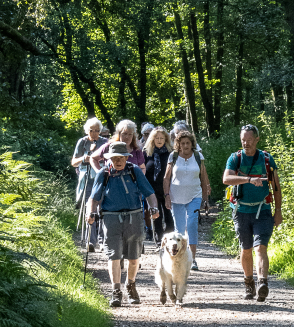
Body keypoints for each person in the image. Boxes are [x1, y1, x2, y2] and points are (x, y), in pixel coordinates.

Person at [87, 141, 160, 307]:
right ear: (109, 158)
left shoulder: (134, 170)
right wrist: (90, 213)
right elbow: (94, 197)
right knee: (114, 255)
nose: (118, 161)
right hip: (111, 218)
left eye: (121, 157)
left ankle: (131, 285)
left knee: (134, 258)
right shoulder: (104, 173)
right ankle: (116, 291)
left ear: (127, 157)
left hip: (134, 217)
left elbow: (149, 193)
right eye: (114, 158)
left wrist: (154, 207)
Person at [222, 124, 282, 302]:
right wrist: (249, 180)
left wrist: (278, 211)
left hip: (263, 209)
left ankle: (263, 282)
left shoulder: (267, 160)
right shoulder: (235, 158)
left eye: (249, 140)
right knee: (246, 249)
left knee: (260, 247)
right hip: (241, 210)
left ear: (257, 139)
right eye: (243, 140)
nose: (246, 143)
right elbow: (226, 179)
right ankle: (249, 284)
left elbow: (276, 187)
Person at [163, 130, 209, 271]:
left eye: (188, 143)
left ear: (192, 144)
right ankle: (179, 259)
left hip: (195, 195)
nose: (185, 145)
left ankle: (193, 259)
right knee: (179, 230)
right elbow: (166, 178)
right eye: (182, 143)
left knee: (192, 224)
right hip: (176, 197)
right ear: (178, 144)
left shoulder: (197, 156)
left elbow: (204, 177)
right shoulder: (173, 156)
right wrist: (167, 196)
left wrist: (206, 198)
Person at [72, 117, 107, 252]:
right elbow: (74, 162)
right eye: (92, 131)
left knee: (103, 209)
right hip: (87, 179)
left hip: (101, 178)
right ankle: (90, 241)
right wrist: (84, 158)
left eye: (97, 131)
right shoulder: (82, 142)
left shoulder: (104, 142)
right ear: (87, 130)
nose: (94, 134)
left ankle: (103, 241)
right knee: (90, 209)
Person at [143, 126, 174, 244]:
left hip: (167, 189)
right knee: (156, 215)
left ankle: (169, 239)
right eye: (157, 138)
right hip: (152, 189)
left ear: (166, 139)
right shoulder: (146, 153)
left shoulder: (171, 153)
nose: (159, 140)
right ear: (152, 139)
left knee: (169, 216)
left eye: (162, 138)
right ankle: (159, 238)